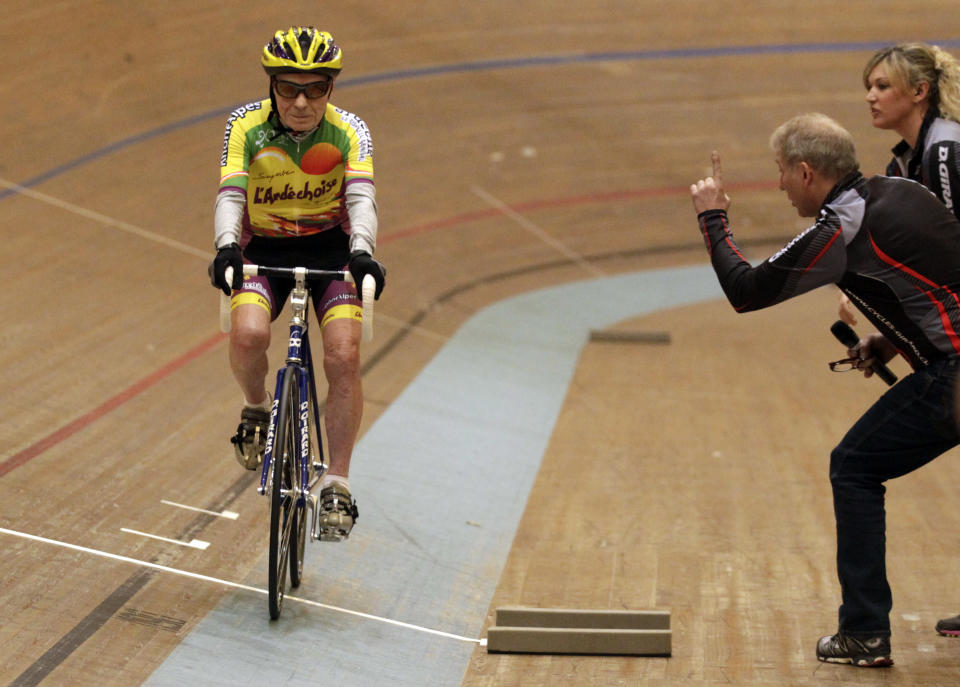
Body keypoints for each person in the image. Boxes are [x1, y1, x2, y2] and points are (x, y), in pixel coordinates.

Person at [690, 113, 960, 667]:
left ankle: (863, 632)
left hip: (954, 375)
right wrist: (888, 342)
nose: (779, 185)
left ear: (807, 172)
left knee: (854, 466)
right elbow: (936, 278)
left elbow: (746, 291)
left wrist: (713, 218)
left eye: (781, 172)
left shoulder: (839, 228)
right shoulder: (900, 189)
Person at [208, 27, 385, 541]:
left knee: (343, 356)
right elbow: (230, 194)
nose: (302, 102)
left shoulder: (350, 129)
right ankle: (258, 408)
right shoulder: (245, 127)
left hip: (332, 251)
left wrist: (363, 254)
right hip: (263, 249)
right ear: (271, 86)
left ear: (331, 89)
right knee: (248, 336)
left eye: (315, 90)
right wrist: (224, 246)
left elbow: (361, 200)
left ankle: (338, 481)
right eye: (289, 89)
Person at [839, 42, 960, 326]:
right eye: (869, 87)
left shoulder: (943, 151)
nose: (870, 97)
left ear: (919, 91)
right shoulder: (903, 164)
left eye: (882, 86)